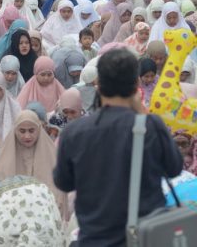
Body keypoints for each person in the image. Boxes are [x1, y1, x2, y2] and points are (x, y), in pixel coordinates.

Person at [53, 48, 183, 246]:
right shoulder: (151, 126)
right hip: (144, 239)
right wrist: (142, 112)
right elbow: (174, 168)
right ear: (136, 83)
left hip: (95, 239)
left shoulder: (74, 133)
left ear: (98, 84)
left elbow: (63, 182)